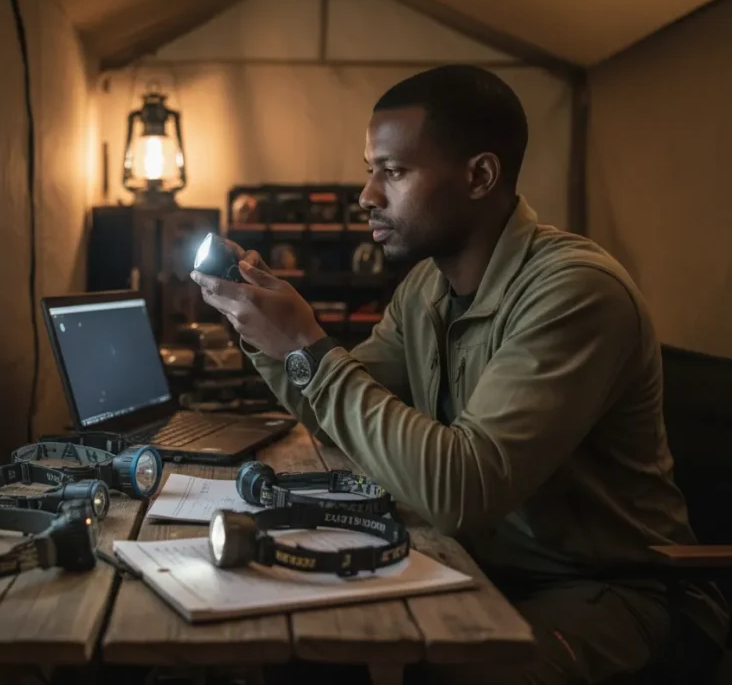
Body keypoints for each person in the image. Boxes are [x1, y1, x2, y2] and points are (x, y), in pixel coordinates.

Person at [190, 65, 728, 684]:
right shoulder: (427, 287)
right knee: (303, 641)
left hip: (619, 592)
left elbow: (461, 491)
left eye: (392, 171)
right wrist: (266, 332)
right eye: (371, 169)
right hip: (484, 565)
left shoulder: (576, 292)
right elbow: (337, 413)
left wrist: (307, 345)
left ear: (480, 176)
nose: (367, 194)